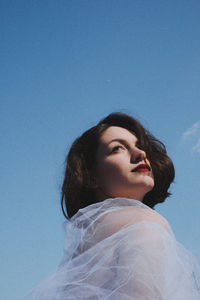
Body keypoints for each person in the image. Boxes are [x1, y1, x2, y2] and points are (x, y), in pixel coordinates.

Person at [23, 112, 200, 299]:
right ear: (91, 176)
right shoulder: (143, 222)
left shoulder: (82, 248)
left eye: (139, 146)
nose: (141, 153)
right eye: (117, 148)